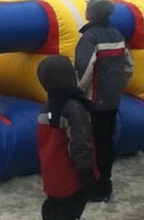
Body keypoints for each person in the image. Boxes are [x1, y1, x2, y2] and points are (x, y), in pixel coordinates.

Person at [74, 0, 133, 202]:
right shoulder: (117, 34)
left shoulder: (90, 37)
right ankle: (105, 183)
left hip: (93, 100)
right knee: (105, 142)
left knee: (93, 144)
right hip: (111, 100)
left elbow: (84, 68)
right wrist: (117, 87)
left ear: (91, 14)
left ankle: (97, 188)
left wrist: (78, 92)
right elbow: (128, 65)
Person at [36, 55, 99, 220]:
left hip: (53, 177)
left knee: (54, 209)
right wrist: (87, 173)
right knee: (68, 212)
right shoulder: (73, 107)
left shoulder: (48, 107)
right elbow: (80, 143)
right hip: (71, 178)